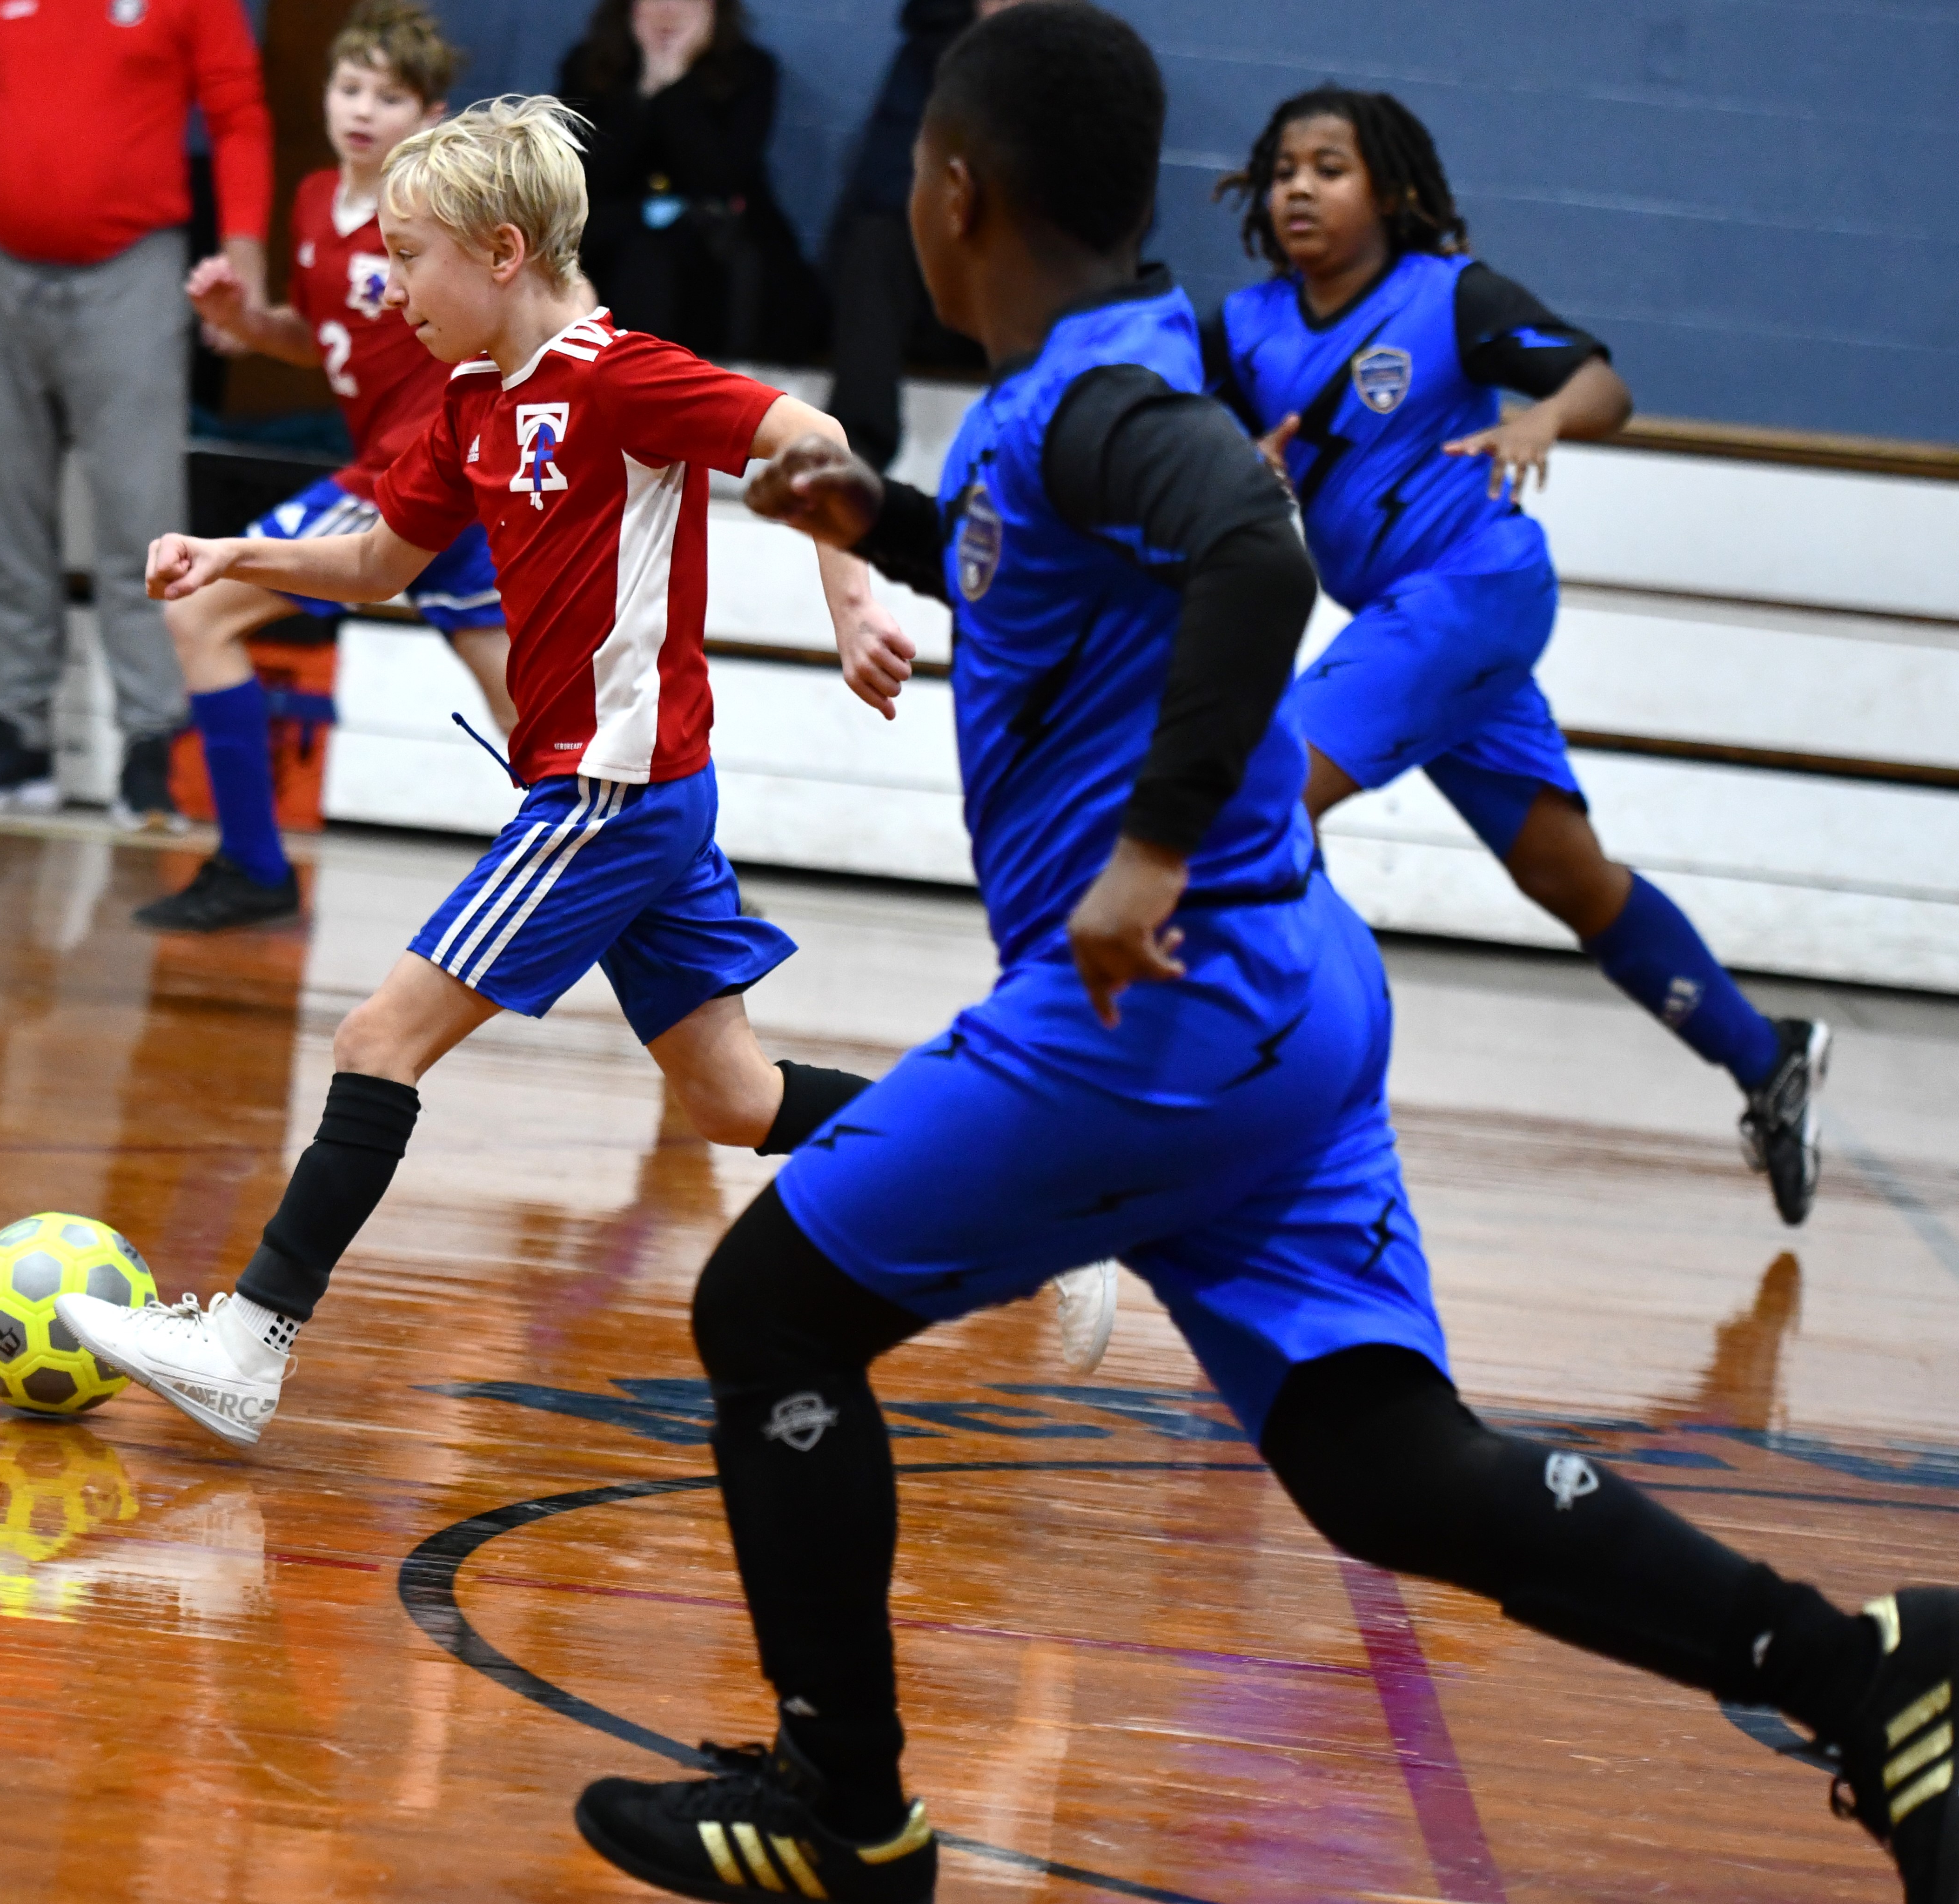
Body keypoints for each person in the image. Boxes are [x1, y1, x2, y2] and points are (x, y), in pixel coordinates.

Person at [561, 12, 1954, 1903]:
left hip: (1156, 1010)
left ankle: (848, 1805)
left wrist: (1144, 854)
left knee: (770, 1314)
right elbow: (1097, 543)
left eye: (911, 170)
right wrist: (876, 519)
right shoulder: (1091, 366)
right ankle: (1860, 1669)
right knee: (1380, 1457)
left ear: (951, 191)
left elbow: (1250, 551)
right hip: (1291, 995)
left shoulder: (1089, 397)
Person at [54, 95, 912, 1452]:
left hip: (609, 792)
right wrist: (235, 558)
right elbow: (378, 566)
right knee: (733, 1098)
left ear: (503, 251)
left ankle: (248, 1340)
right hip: (643, 794)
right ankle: (1028, 1166)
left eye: (410, 257)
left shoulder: (620, 378)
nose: (390, 290)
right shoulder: (470, 399)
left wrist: (852, 602)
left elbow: (810, 438)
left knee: (373, 1039)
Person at [1205, 88, 1826, 1225]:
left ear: (1389, 192)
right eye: (1282, 167)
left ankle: (1270, 1114)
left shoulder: (1452, 298)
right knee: (1567, 877)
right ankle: (1765, 1054)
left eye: (1329, 167)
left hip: (1473, 593)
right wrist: (1234, 465)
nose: (1298, 186)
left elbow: (1604, 383)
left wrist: (1544, 419)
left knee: (1258, 799)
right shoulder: (1241, 327)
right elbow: (1189, 449)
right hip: (1411, 626)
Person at [139, 0, 512, 935]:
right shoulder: (313, 200)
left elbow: (505, 313)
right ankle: (678, 876)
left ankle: (256, 866)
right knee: (539, 717)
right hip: (427, 485)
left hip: (414, 474)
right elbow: (321, 342)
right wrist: (246, 324)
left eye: (388, 97)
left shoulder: (437, 209)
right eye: (350, 87)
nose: (361, 109)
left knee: (198, 607)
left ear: (429, 116)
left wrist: (436, 284)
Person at [0, 0, 275, 832]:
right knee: (3, 513)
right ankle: (19, 735)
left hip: (132, 272)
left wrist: (244, 253)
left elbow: (237, 114)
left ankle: (150, 747)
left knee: (144, 519)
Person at [557, 0, 823, 363]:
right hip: (612, 240)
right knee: (643, 257)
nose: (669, 10)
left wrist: (674, 84)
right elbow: (586, 178)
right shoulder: (588, 67)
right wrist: (647, 88)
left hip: (711, 241)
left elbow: (721, 177)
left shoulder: (749, 70)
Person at [821, 0, 1016, 473]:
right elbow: (882, 176)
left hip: (1017, 289)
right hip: (934, 282)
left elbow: (1107, 203)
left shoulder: (1081, 69)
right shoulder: (928, 57)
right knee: (874, 241)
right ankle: (858, 449)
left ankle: (1030, 458)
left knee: (1053, 254)